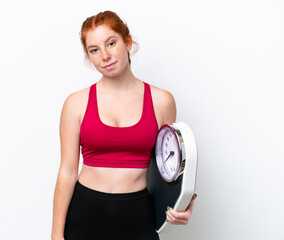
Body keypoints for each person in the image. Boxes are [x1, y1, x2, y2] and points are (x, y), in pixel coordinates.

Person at [51, 10, 197, 240]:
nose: (105, 56)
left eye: (111, 43)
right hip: (84, 214)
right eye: (94, 50)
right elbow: (67, 172)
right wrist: (56, 235)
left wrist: (184, 202)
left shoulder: (162, 101)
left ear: (127, 42)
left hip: (137, 216)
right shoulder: (75, 103)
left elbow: (168, 171)